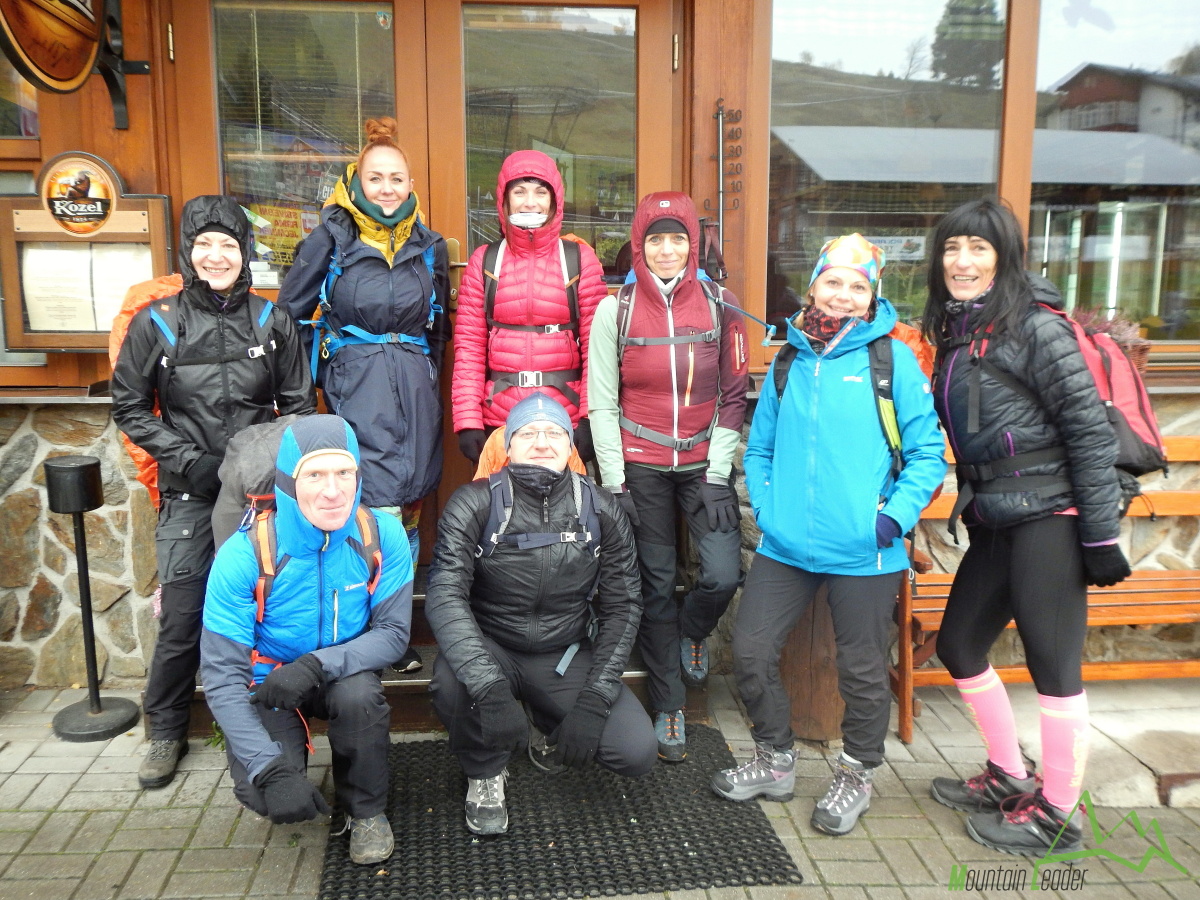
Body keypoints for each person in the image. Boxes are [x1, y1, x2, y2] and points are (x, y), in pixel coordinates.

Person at [710, 234, 945, 836]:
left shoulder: (891, 362)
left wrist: (888, 520)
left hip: (866, 550)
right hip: (786, 545)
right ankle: (775, 758)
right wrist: (768, 507)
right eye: (832, 281)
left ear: (871, 298)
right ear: (813, 286)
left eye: (857, 286)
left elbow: (926, 455)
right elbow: (757, 447)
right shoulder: (789, 360)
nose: (842, 295)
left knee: (863, 670)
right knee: (753, 652)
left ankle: (857, 772)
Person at [920, 199, 1129, 855]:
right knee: (958, 645)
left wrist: (1098, 537)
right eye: (953, 248)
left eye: (978, 249)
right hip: (997, 516)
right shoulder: (961, 330)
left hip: (1052, 517)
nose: (963, 261)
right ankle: (1009, 773)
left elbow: (1089, 435)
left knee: (1053, 665)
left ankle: (1060, 813)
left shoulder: (1038, 329)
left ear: (1004, 257)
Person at [112, 195, 315, 790]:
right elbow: (129, 405)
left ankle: (270, 715)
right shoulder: (158, 322)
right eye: (205, 244)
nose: (217, 255)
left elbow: (298, 406)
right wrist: (190, 462)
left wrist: (267, 466)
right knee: (182, 614)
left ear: (245, 252)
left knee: (270, 602)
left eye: (229, 244)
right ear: (188, 252)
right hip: (191, 491)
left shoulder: (270, 320)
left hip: (259, 493)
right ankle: (165, 730)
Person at [426, 392, 656, 836]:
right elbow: (444, 595)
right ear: (507, 446)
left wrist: (594, 700)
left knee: (635, 750)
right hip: (491, 644)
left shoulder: (602, 509)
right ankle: (484, 770)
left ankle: (549, 718)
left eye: (554, 432)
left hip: (563, 650)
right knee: (453, 686)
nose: (542, 441)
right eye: (527, 433)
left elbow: (623, 605)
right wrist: (490, 689)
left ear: (571, 446)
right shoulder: (474, 503)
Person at [200, 414, 413, 866]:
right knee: (262, 793)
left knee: (361, 697)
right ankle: (282, 762)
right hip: (270, 681)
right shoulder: (243, 556)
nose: (333, 490)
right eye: (314, 474)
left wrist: (316, 665)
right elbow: (221, 677)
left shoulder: (382, 536)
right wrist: (268, 768)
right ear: (287, 482)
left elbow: (393, 636)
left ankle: (366, 810)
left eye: (344, 473)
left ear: (358, 475)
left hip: (340, 670)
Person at [587, 191, 749, 762]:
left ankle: (694, 633)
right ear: (639, 244)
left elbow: (735, 394)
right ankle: (669, 705)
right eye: (654, 238)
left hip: (704, 465)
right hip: (642, 465)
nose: (665, 249)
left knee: (721, 575)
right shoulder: (617, 310)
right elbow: (602, 402)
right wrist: (615, 480)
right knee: (654, 584)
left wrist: (719, 469)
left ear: (693, 243)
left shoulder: (721, 303)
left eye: (676, 237)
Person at [279, 117, 449, 562]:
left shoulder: (429, 246)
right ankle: (364, 612)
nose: (387, 189)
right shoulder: (330, 240)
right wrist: (306, 389)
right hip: (355, 387)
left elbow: (440, 328)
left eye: (396, 179)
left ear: (410, 184)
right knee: (366, 501)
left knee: (411, 496)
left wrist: (432, 378)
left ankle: (395, 611)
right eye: (375, 178)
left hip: (415, 390)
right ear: (356, 182)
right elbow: (289, 318)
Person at [451, 149, 607, 464]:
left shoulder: (579, 259)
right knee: (504, 510)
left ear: (555, 200)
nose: (530, 201)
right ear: (504, 200)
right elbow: (469, 346)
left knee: (567, 511)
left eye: (540, 191)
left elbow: (597, 348)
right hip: (501, 422)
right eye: (519, 191)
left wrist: (591, 418)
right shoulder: (485, 261)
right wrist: (467, 421)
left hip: (565, 419)